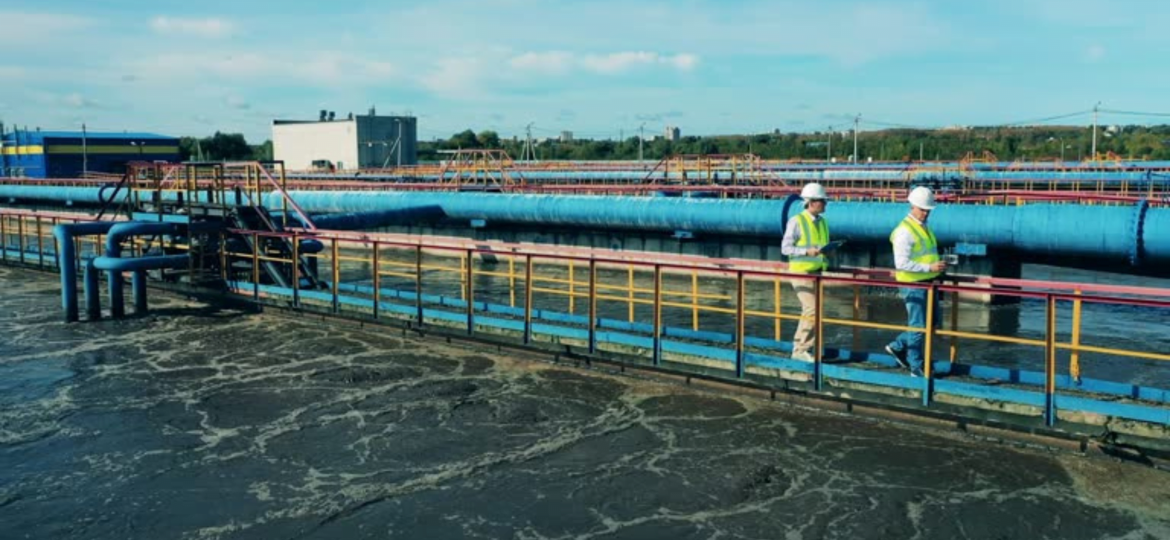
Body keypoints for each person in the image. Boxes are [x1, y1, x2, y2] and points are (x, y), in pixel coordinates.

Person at [885, 186, 947, 377]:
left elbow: (925, 254)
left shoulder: (924, 227)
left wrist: (936, 267)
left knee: (933, 323)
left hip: (929, 282)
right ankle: (916, 366)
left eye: (928, 210)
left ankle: (898, 346)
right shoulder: (904, 231)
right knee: (919, 326)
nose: (926, 213)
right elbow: (901, 263)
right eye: (922, 209)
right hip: (913, 285)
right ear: (912, 206)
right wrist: (929, 268)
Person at [781, 183, 830, 362]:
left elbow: (821, 245)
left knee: (813, 311)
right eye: (822, 201)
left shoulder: (823, 222)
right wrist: (806, 251)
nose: (825, 204)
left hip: (817, 272)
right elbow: (785, 248)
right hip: (801, 273)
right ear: (811, 202)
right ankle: (800, 349)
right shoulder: (796, 221)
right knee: (811, 309)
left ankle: (807, 346)